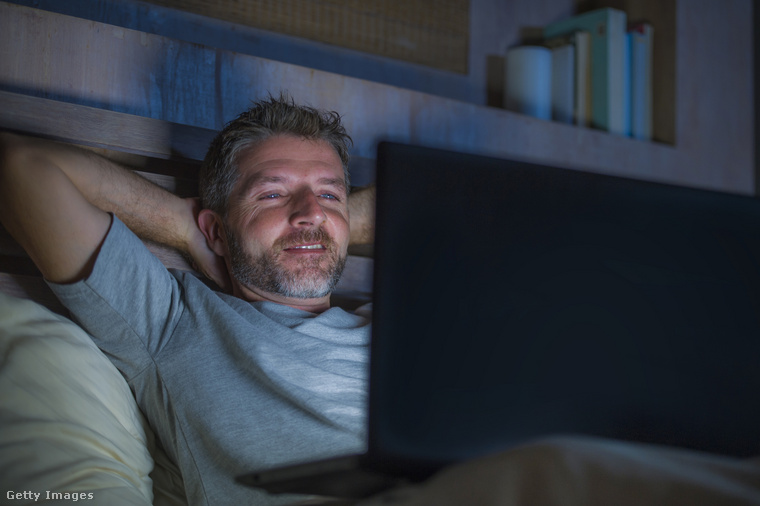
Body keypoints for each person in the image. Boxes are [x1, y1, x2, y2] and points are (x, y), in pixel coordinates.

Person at [0, 94, 376, 505]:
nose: (312, 213)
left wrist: (318, 224)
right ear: (215, 232)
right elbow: (21, 165)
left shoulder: (401, 326)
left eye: (329, 195)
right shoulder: (175, 320)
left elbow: (456, 202)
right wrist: (184, 227)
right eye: (271, 194)